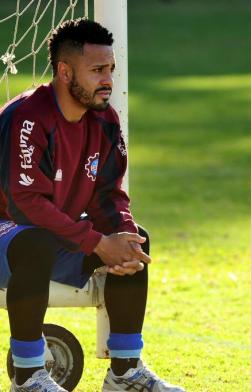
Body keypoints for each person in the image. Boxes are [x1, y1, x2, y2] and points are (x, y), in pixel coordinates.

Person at [0, 18, 185, 392]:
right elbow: (26, 204)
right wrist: (97, 242)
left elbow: (108, 195)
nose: (108, 80)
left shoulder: (104, 120)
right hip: (9, 232)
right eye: (97, 70)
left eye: (110, 69)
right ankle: (28, 375)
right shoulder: (26, 118)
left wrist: (122, 236)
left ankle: (124, 372)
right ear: (65, 72)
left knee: (136, 242)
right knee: (34, 241)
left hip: (57, 233)